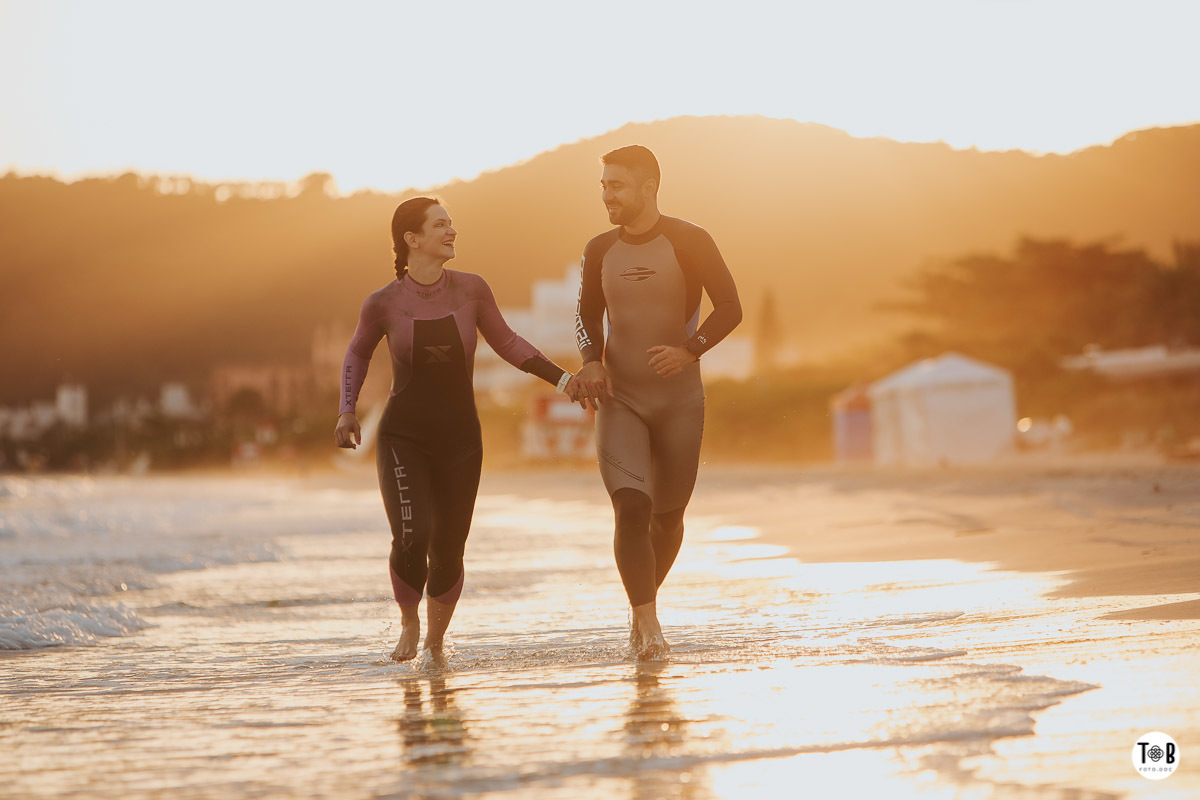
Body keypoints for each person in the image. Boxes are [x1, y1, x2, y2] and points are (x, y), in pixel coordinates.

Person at [335, 197, 577, 664]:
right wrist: (347, 411)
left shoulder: (472, 290)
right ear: (412, 239)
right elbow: (357, 353)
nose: (452, 231)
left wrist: (564, 380)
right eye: (440, 225)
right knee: (413, 534)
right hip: (403, 436)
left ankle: (435, 643)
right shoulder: (383, 303)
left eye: (451, 223)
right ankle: (410, 623)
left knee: (449, 546)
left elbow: (508, 342)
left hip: (460, 438)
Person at [573, 146, 742, 659]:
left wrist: (690, 350)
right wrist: (591, 360)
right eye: (603, 186)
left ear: (648, 188)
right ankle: (649, 626)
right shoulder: (599, 249)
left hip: (679, 401)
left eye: (617, 186)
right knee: (631, 506)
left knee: (668, 519)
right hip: (620, 398)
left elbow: (730, 307)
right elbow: (585, 313)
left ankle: (639, 608)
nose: (607, 195)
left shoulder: (691, 240)